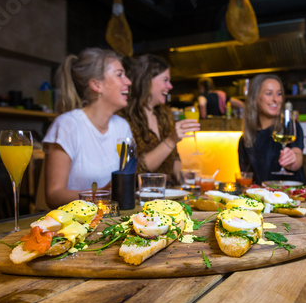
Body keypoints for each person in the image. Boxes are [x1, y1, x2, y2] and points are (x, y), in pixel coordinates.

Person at [43, 48, 133, 208]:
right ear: (96, 84)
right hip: (75, 224)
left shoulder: (122, 126)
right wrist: (101, 194)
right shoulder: (67, 125)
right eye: (119, 75)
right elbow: (53, 195)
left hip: (110, 218)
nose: (128, 82)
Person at [120, 54, 200, 185]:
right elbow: (136, 170)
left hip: (168, 192)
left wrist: (186, 183)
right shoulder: (124, 118)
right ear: (147, 80)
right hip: (139, 196)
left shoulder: (164, 113)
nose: (170, 86)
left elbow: (174, 156)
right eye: (165, 80)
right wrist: (171, 140)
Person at [238, 74, 306, 185]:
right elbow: (247, 178)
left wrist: (292, 160)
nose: (276, 99)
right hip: (264, 198)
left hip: (294, 195)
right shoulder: (244, 140)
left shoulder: (290, 127)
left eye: (279, 94)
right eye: (269, 93)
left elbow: (298, 156)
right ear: (255, 98)